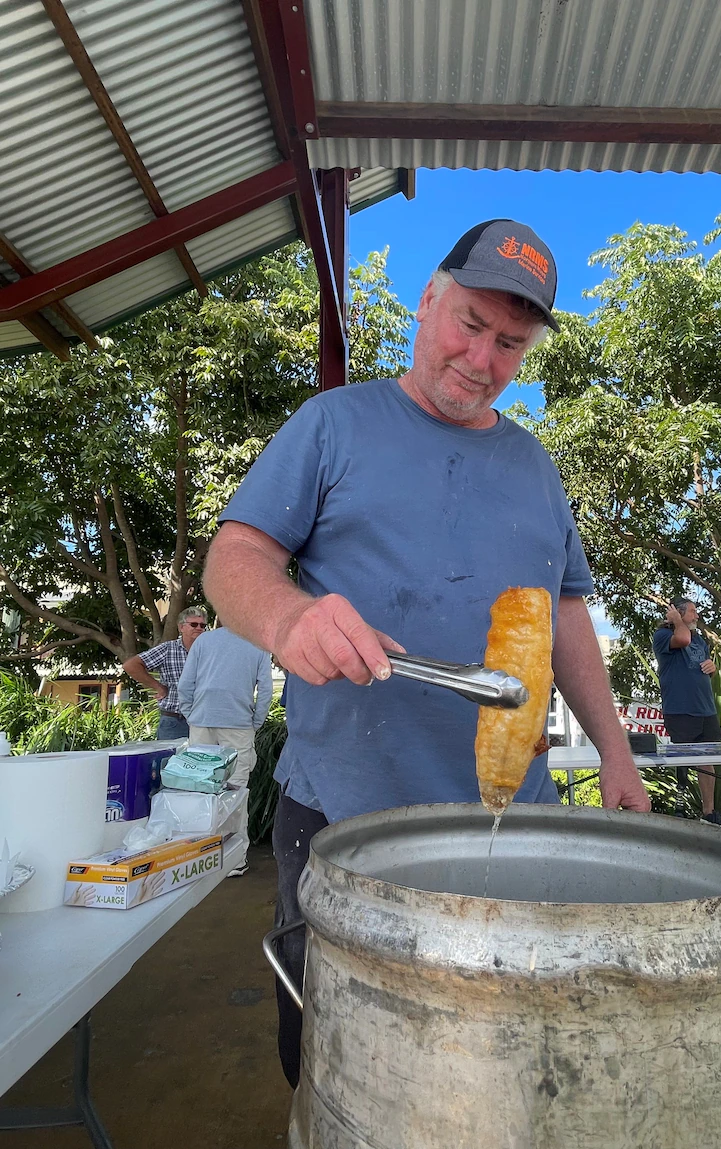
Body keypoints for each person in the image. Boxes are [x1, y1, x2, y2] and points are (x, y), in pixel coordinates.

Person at [202, 218, 650, 1088]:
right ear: (427, 299)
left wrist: (617, 748)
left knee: (495, 1055)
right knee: (340, 1058)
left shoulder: (535, 465)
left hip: (508, 822)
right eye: (471, 325)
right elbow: (234, 558)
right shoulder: (334, 423)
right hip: (345, 811)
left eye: (510, 343)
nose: (483, 360)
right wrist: (292, 621)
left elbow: (564, 617)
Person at [177, 625, 274, 875]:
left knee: (199, 789)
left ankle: (200, 856)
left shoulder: (204, 641)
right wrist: (255, 722)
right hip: (239, 724)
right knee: (236, 791)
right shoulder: (259, 644)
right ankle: (234, 860)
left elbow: (185, 683)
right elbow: (265, 690)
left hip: (202, 721)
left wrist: (191, 715)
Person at [652, 598, 721, 828]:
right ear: (677, 614)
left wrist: (712, 668)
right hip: (680, 710)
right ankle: (680, 810)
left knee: (707, 760)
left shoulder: (699, 639)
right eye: (692, 611)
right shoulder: (662, 636)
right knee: (683, 761)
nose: (696, 616)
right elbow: (682, 638)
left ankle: (708, 813)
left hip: (706, 709)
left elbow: (703, 667)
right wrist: (677, 621)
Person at [121, 607, 208, 739]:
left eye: (202, 625)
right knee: (170, 759)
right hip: (175, 721)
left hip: (205, 721)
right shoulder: (168, 649)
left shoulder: (210, 652)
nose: (199, 628)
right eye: (194, 624)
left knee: (206, 759)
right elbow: (131, 665)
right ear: (181, 627)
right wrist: (158, 687)